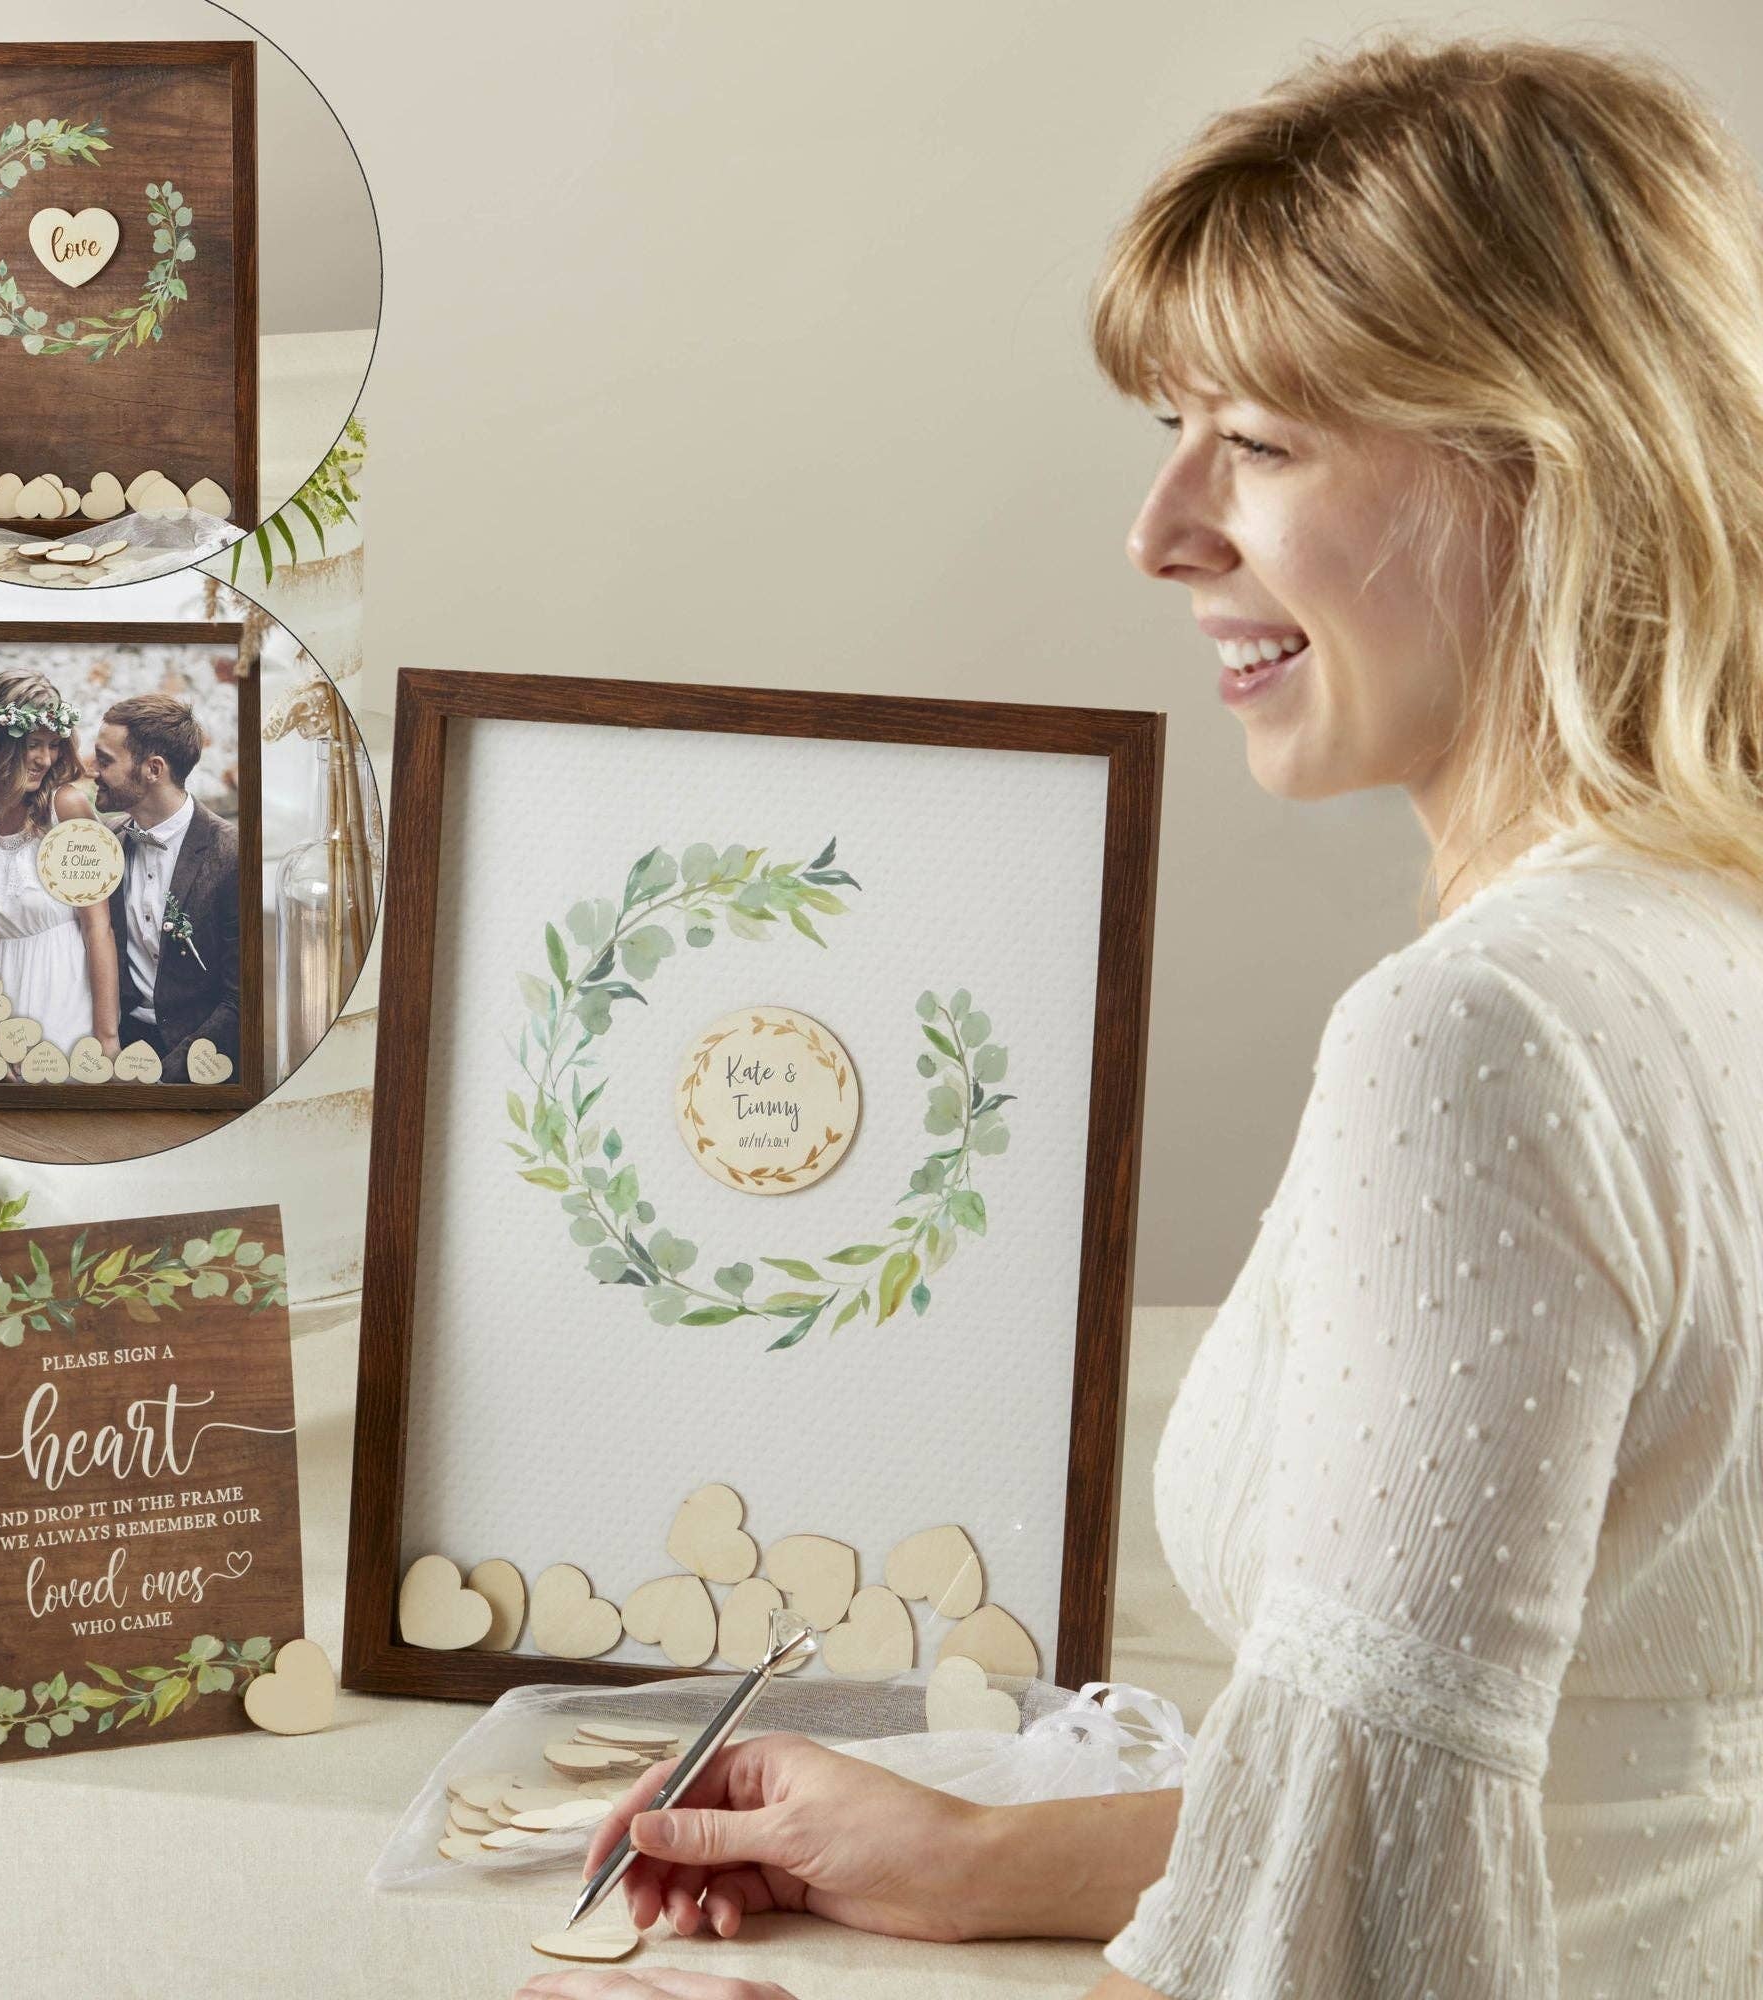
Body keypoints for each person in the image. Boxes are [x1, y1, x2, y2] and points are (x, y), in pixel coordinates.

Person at [515, 29, 1763, 2000]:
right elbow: (1581, 1759)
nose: (1163, 528)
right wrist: (987, 1856)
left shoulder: (1484, 1036)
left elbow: (1371, 1952)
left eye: (1255, 445)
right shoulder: (1708, 939)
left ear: (1543, 464)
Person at [0, 670, 118, 1061]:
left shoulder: (65, 808)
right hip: (0, 995)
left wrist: (106, 1035)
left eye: (52, 745)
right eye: (33, 744)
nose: (45, 759)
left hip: (74, 988)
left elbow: (98, 926)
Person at [91, 691, 242, 1083]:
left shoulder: (233, 855)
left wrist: (162, 1080)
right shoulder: (106, 842)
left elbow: (240, 999)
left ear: (152, 769)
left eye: (105, 760)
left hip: (198, 1056)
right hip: (116, 1047)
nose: (93, 770)